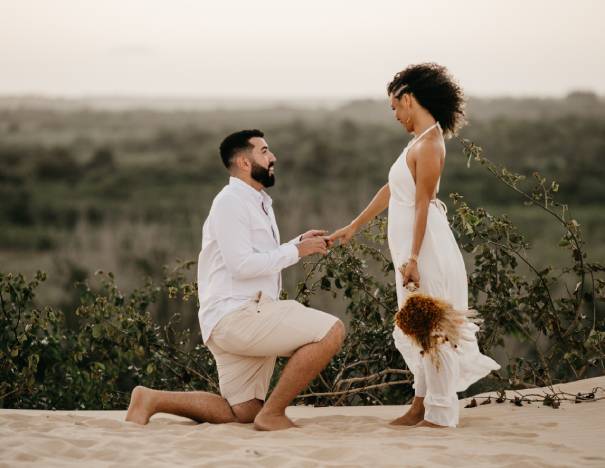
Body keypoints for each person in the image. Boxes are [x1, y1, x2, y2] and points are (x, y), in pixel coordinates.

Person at [126, 129, 345, 431]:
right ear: (244, 162)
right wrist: (296, 251)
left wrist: (298, 242)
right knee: (331, 332)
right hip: (239, 315)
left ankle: (151, 399)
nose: (273, 158)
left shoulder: (256, 202)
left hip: (236, 318)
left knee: (241, 412)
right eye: (264, 151)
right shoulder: (230, 202)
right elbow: (241, 265)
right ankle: (274, 414)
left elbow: (258, 255)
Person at [329, 63, 500, 428]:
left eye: (395, 107)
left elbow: (423, 202)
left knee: (432, 328)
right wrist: (354, 226)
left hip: (425, 250)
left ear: (408, 98)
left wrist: (413, 257)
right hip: (411, 249)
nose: (395, 116)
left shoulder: (431, 143)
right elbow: (393, 190)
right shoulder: (418, 142)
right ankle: (420, 404)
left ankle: (439, 413)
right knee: (417, 325)